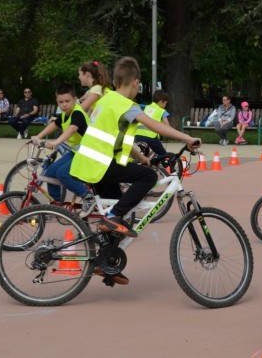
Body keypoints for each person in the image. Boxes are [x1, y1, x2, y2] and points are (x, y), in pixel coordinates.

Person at [70, 57, 200, 285]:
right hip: (100, 164)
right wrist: (188, 138)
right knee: (147, 179)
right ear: (135, 82)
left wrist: (143, 158)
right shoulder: (125, 105)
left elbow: (118, 140)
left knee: (121, 212)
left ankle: (107, 263)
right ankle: (112, 218)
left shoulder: (107, 100)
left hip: (90, 163)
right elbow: (154, 125)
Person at [31, 84, 95, 217]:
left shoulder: (77, 113)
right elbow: (54, 125)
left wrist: (56, 142)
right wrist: (38, 136)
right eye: (61, 102)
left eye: (67, 101)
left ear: (75, 99)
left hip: (89, 152)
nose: (64, 104)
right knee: (50, 172)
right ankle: (57, 205)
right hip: (77, 152)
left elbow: (72, 129)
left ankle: (88, 196)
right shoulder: (65, 114)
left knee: (63, 173)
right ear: (57, 102)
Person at [134, 88, 170, 156]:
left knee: (145, 155)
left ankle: (144, 164)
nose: (165, 105)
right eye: (165, 103)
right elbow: (168, 126)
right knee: (163, 155)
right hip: (150, 136)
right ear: (161, 101)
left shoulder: (147, 107)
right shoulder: (161, 111)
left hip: (138, 135)